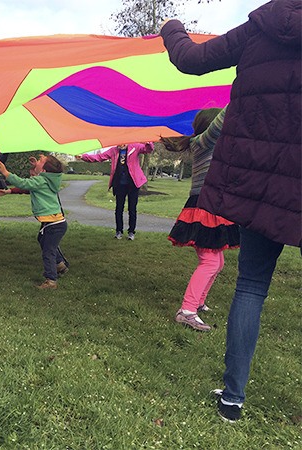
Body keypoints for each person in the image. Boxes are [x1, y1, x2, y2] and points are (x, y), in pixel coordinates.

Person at [161, 0, 301, 422]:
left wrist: (171, 27)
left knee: (252, 287)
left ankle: (232, 399)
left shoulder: (261, 27)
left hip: (262, 185)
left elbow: (192, 60)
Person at [161, 108, 240, 332]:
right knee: (210, 261)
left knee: (218, 262)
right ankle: (187, 311)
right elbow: (222, 121)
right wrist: (241, 91)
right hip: (203, 206)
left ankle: (199, 302)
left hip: (212, 205)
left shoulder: (214, 147)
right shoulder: (202, 142)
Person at [0, 155, 68, 289]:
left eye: (40, 161)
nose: (37, 162)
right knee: (42, 240)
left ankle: (51, 280)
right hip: (55, 222)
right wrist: (9, 191)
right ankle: (60, 265)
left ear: (44, 171)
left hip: (53, 224)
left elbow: (24, 183)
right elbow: (29, 188)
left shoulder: (41, 180)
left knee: (48, 251)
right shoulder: (49, 180)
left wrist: (6, 173)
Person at [76, 142, 153, 240]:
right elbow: (99, 157)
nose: (121, 145)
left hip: (133, 184)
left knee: (132, 209)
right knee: (119, 208)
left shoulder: (135, 147)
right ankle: (119, 231)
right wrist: (83, 157)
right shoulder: (113, 151)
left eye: (123, 143)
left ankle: (131, 232)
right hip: (119, 184)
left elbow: (148, 150)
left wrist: (149, 142)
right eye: (119, 143)